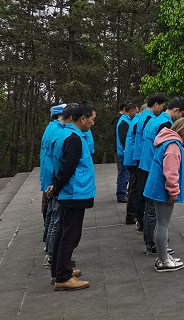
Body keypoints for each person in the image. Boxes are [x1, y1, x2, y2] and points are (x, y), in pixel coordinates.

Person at [47, 102, 97, 291]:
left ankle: (58, 271)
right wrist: (57, 187)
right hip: (74, 193)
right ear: (82, 118)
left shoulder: (66, 133)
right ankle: (63, 277)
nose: (93, 123)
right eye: (92, 119)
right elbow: (67, 168)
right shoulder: (74, 138)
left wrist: (55, 185)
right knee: (70, 235)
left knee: (62, 232)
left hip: (70, 192)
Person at [144, 117, 184, 272]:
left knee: (161, 223)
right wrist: (173, 191)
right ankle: (163, 260)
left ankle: (163, 255)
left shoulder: (166, 141)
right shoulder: (173, 146)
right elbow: (171, 172)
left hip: (157, 188)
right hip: (163, 190)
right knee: (163, 224)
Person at [140, 97, 184, 256]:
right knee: (156, 215)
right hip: (154, 169)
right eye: (182, 114)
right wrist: (173, 189)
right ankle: (154, 245)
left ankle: (151, 242)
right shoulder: (166, 124)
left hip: (147, 165)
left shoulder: (155, 120)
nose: (181, 118)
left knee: (150, 210)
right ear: (176, 110)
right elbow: (169, 163)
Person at [134, 93, 168, 232]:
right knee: (145, 194)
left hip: (142, 158)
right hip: (146, 160)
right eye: (161, 106)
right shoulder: (150, 118)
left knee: (141, 191)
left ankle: (141, 222)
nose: (162, 109)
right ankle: (143, 223)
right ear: (156, 104)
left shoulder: (144, 116)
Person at [40, 104, 65, 240]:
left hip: (48, 173)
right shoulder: (57, 130)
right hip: (51, 174)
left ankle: (48, 238)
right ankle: (50, 244)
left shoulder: (51, 127)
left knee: (50, 209)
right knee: (53, 211)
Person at [123, 103, 146, 224]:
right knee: (135, 188)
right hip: (134, 159)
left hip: (131, 158)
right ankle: (131, 215)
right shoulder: (138, 122)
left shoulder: (135, 120)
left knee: (134, 187)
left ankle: (132, 215)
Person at [115, 103, 137, 203]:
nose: (136, 114)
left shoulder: (127, 120)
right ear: (131, 111)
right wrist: (128, 150)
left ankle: (123, 192)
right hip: (123, 153)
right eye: (135, 112)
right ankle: (121, 194)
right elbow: (123, 139)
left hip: (124, 152)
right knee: (124, 175)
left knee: (125, 174)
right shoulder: (124, 122)